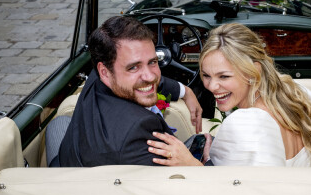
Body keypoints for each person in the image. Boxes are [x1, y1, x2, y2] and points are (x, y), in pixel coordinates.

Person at [148, 23, 311, 168]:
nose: (212, 86)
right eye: (206, 75)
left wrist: (190, 164)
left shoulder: (247, 123)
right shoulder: (291, 92)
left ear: (253, 71)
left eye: (224, 77)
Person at [55, 16, 204, 167]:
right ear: (105, 72)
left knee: (59, 124)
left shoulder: (99, 74)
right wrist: (193, 163)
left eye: (153, 62)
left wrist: (185, 91)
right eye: (133, 67)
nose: (150, 76)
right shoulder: (136, 133)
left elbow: (148, 78)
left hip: (68, 158)